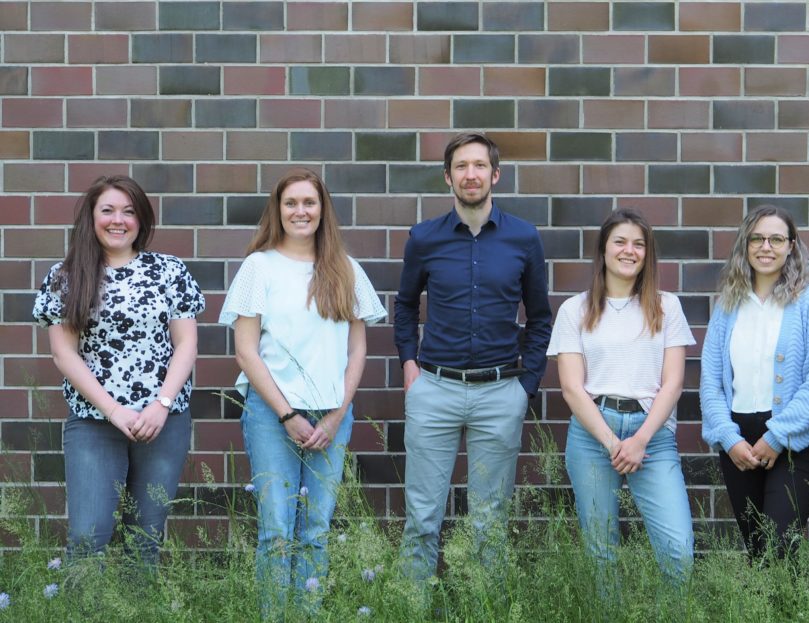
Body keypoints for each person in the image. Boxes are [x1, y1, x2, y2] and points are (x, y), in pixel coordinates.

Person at [219, 169, 386, 615]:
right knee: (276, 528)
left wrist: (335, 415)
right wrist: (289, 415)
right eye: (290, 203)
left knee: (316, 528)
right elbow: (246, 352)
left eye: (309, 202)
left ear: (322, 210)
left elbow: (357, 350)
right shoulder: (259, 267)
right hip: (273, 417)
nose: (300, 211)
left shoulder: (346, 269)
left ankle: (308, 613)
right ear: (277, 210)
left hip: (334, 414)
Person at [394, 132, 553, 584]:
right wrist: (410, 367)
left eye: (479, 166)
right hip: (434, 389)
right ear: (448, 177)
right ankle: (411, 610)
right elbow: (404, 306)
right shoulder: (424, 238)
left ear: (495, 175)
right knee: (422, 520)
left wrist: (526, 386)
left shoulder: (524, 238)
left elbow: (540, 317)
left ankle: (484, 608)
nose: (471, 174)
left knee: (489, 522)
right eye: (461, 166)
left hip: (500, 393)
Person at [32, 175, 204, 566]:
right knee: (87, 537)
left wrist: (161, 404)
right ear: (91, 218)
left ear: (141, 220)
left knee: (143, 540)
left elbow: (186, 344)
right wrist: (114, 410)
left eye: (128, 211)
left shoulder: (169, 271)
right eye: (107, 210)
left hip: (163, 421)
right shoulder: (67, 276)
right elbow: (64, 355)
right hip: (95, 423)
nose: (118, 220)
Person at [548, 209, 695, 584]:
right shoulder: (574, 309)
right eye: (620, 241)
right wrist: (614, 443)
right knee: (601, 552)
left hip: (653, 438)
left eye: (638, 244)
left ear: (647, 254)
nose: (629, 251)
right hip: (593, 435)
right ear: (603, 249)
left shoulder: (667, 307)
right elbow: (571, 387)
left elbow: (673, 383)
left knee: (678, 551)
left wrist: (639, 440)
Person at [700, 205, 809, 559]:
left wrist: (776, 437)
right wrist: (729, 439)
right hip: (738, 444)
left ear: (791, 245)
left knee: (778, 548)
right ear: (745, 245)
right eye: (757, 238)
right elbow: (711, 382)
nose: (766, 246)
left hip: (794, 444)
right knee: (757, 550)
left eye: (776, 239)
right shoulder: (727, 305)